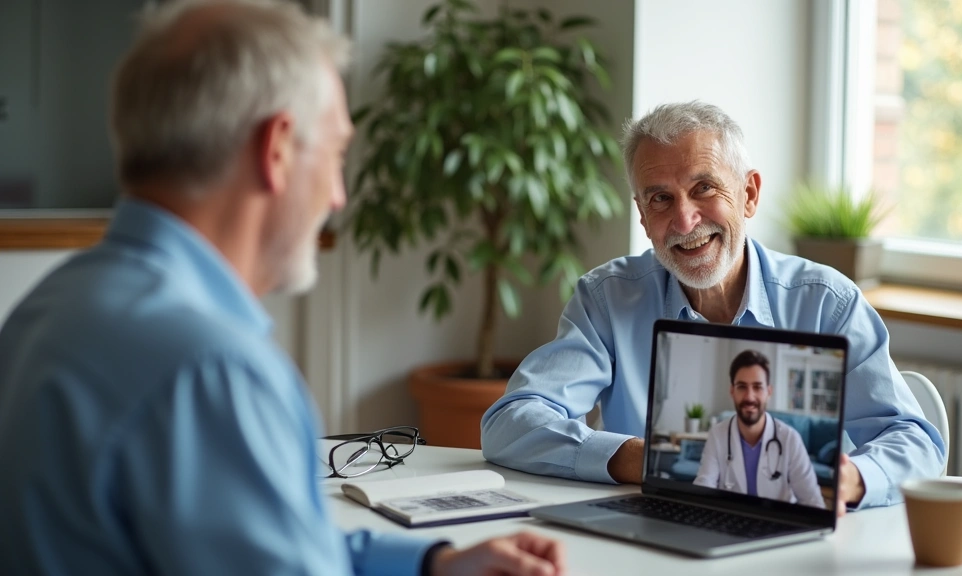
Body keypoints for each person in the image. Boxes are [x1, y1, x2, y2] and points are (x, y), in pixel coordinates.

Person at [0, 1, 564, 575]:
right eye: (337, 153)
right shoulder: (213, 370)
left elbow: (253, 546)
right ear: (276, 149)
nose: (338, 196)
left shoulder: (43, 312)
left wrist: (431, 564)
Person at [481, 101, 945, 515]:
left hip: (801, 542)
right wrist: (641, 459)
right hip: (658, 534)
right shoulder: (608, 297)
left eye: (704, 188)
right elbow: (510, 422)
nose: (684, 220)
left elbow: (918, 442)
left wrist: (854, 480)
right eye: (660, 198)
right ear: (642, 216)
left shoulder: (828, 302)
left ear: (749, 195)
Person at [693, 350, 824, 508]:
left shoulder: (790, 439)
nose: (749, 397)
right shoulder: (718, 434)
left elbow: (813, 502)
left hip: (779, 526)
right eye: (742, 387)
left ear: (769, 392)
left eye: (757, 387)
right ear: (732, 391)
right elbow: (703, 488)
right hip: (732, 523)